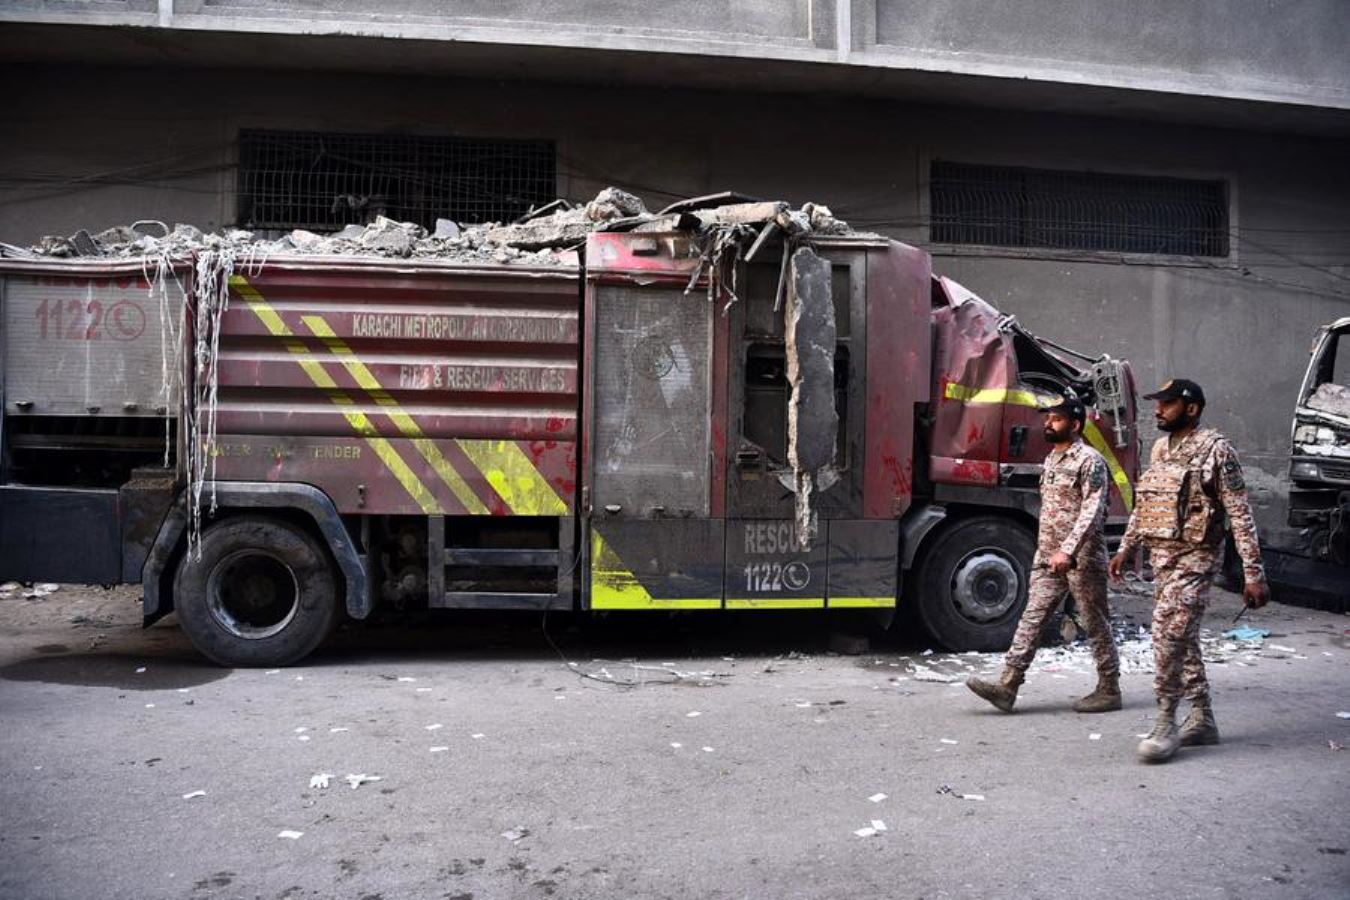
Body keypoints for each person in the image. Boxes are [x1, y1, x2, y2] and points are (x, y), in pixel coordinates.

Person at [1109, 379, 1269, 763]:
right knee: (1184, 637)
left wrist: (1254, 573)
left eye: (1167, 403)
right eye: (1158, 403)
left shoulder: (1217, 451)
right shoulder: (1162, 449)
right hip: (1163, 559)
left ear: (1192, 408)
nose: (1158, 410)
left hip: (1196, 559)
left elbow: (1240, 514)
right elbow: (1147, 504)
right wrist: (1126, 547)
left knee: (1168, 631)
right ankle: (1203, 718)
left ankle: (1166, 719)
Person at [967, 394, 1120, 713]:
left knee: (1095, 622)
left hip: (1082, 558)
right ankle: (1007, 686)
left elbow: (1093, 511)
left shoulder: (1090, 461)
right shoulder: (1051, 459)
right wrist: (1051, 550)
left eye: (1056, 418)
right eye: (1047, 417)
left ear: (1075, 425)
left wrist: (1069, 550)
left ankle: (1109, 688)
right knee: (1032, 618)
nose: (1048, 422)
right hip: (1049, 557)